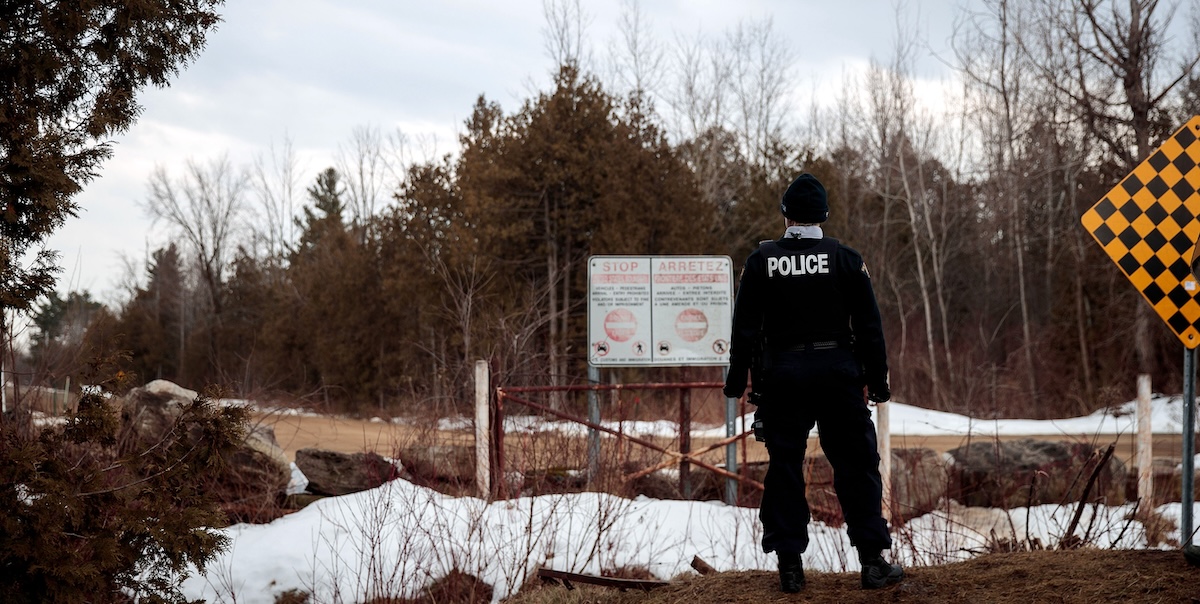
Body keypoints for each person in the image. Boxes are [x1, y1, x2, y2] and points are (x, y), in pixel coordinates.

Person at [723, 173, 903, 593]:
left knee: (785, 467)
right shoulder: (844, 258)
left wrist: (737, 383)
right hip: (839, 374)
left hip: (783, 377)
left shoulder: (761, 261)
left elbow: (744, 330)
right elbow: (870, 327)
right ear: (823, 215)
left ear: (786, 216)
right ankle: (873, 562)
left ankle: (790, 567)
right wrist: (877, 382)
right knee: (856, 465)